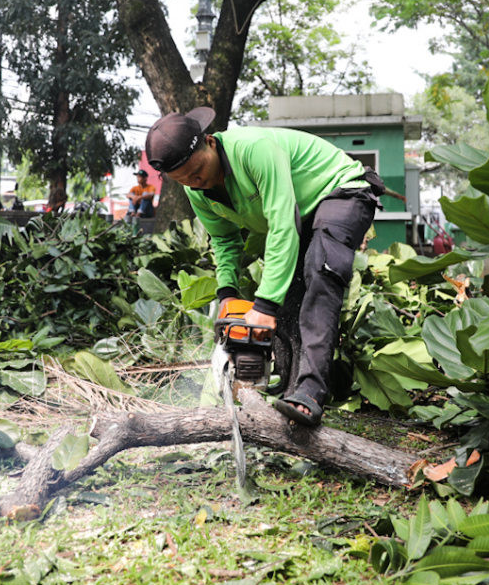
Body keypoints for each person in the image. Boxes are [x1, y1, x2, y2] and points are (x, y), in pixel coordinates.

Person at [145, 107, 383, 427]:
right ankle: (289, 391)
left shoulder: (253, 150)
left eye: (197, 169)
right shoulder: (197, 191)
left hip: (343, 189)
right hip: (303, 212)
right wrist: (228, 294)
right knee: (285, 297)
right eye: (184, 179)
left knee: (320, 272)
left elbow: (282, 224)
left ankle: (310, 393)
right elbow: (225, 242)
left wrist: (265, 306)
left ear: (210, 143)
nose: (195, 180)